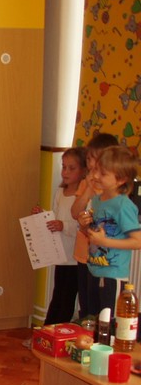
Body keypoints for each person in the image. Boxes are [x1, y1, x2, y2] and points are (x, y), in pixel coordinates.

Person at [76, 146, 141, 316]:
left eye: (103, 173)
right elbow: (95, 235)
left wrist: (104, 242)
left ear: (121, 180)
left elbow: (138, 241)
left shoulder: (123, 205)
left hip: (113, 274)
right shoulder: (98, 200)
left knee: (109, 322)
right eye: (96, 169)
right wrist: (84, 226)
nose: (96, 176)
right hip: (94, 269)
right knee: (92, 318)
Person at [30, 147, 88, 324]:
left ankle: (56, 330)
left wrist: (63, 226)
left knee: (66, 299)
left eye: (72, 168)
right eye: (64, 167)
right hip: (60, 255)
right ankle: (49, 329)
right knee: (58, 294)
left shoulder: (84, 197)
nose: (65, 172)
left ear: (83, 170)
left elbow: (82, 225)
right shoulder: (60, 193)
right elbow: (55, 218)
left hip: (74, 258)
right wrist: (42, 216)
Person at [69, 133, 120, 318]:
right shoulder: (86, 183)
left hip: (103, 258)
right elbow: (75, 212)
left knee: (103, 307)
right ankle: (87, 331)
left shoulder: (113, 190)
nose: (91, 164)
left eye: (95, 159)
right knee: (86, 304)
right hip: (84, 254)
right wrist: (89, 189)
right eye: (89, 158)